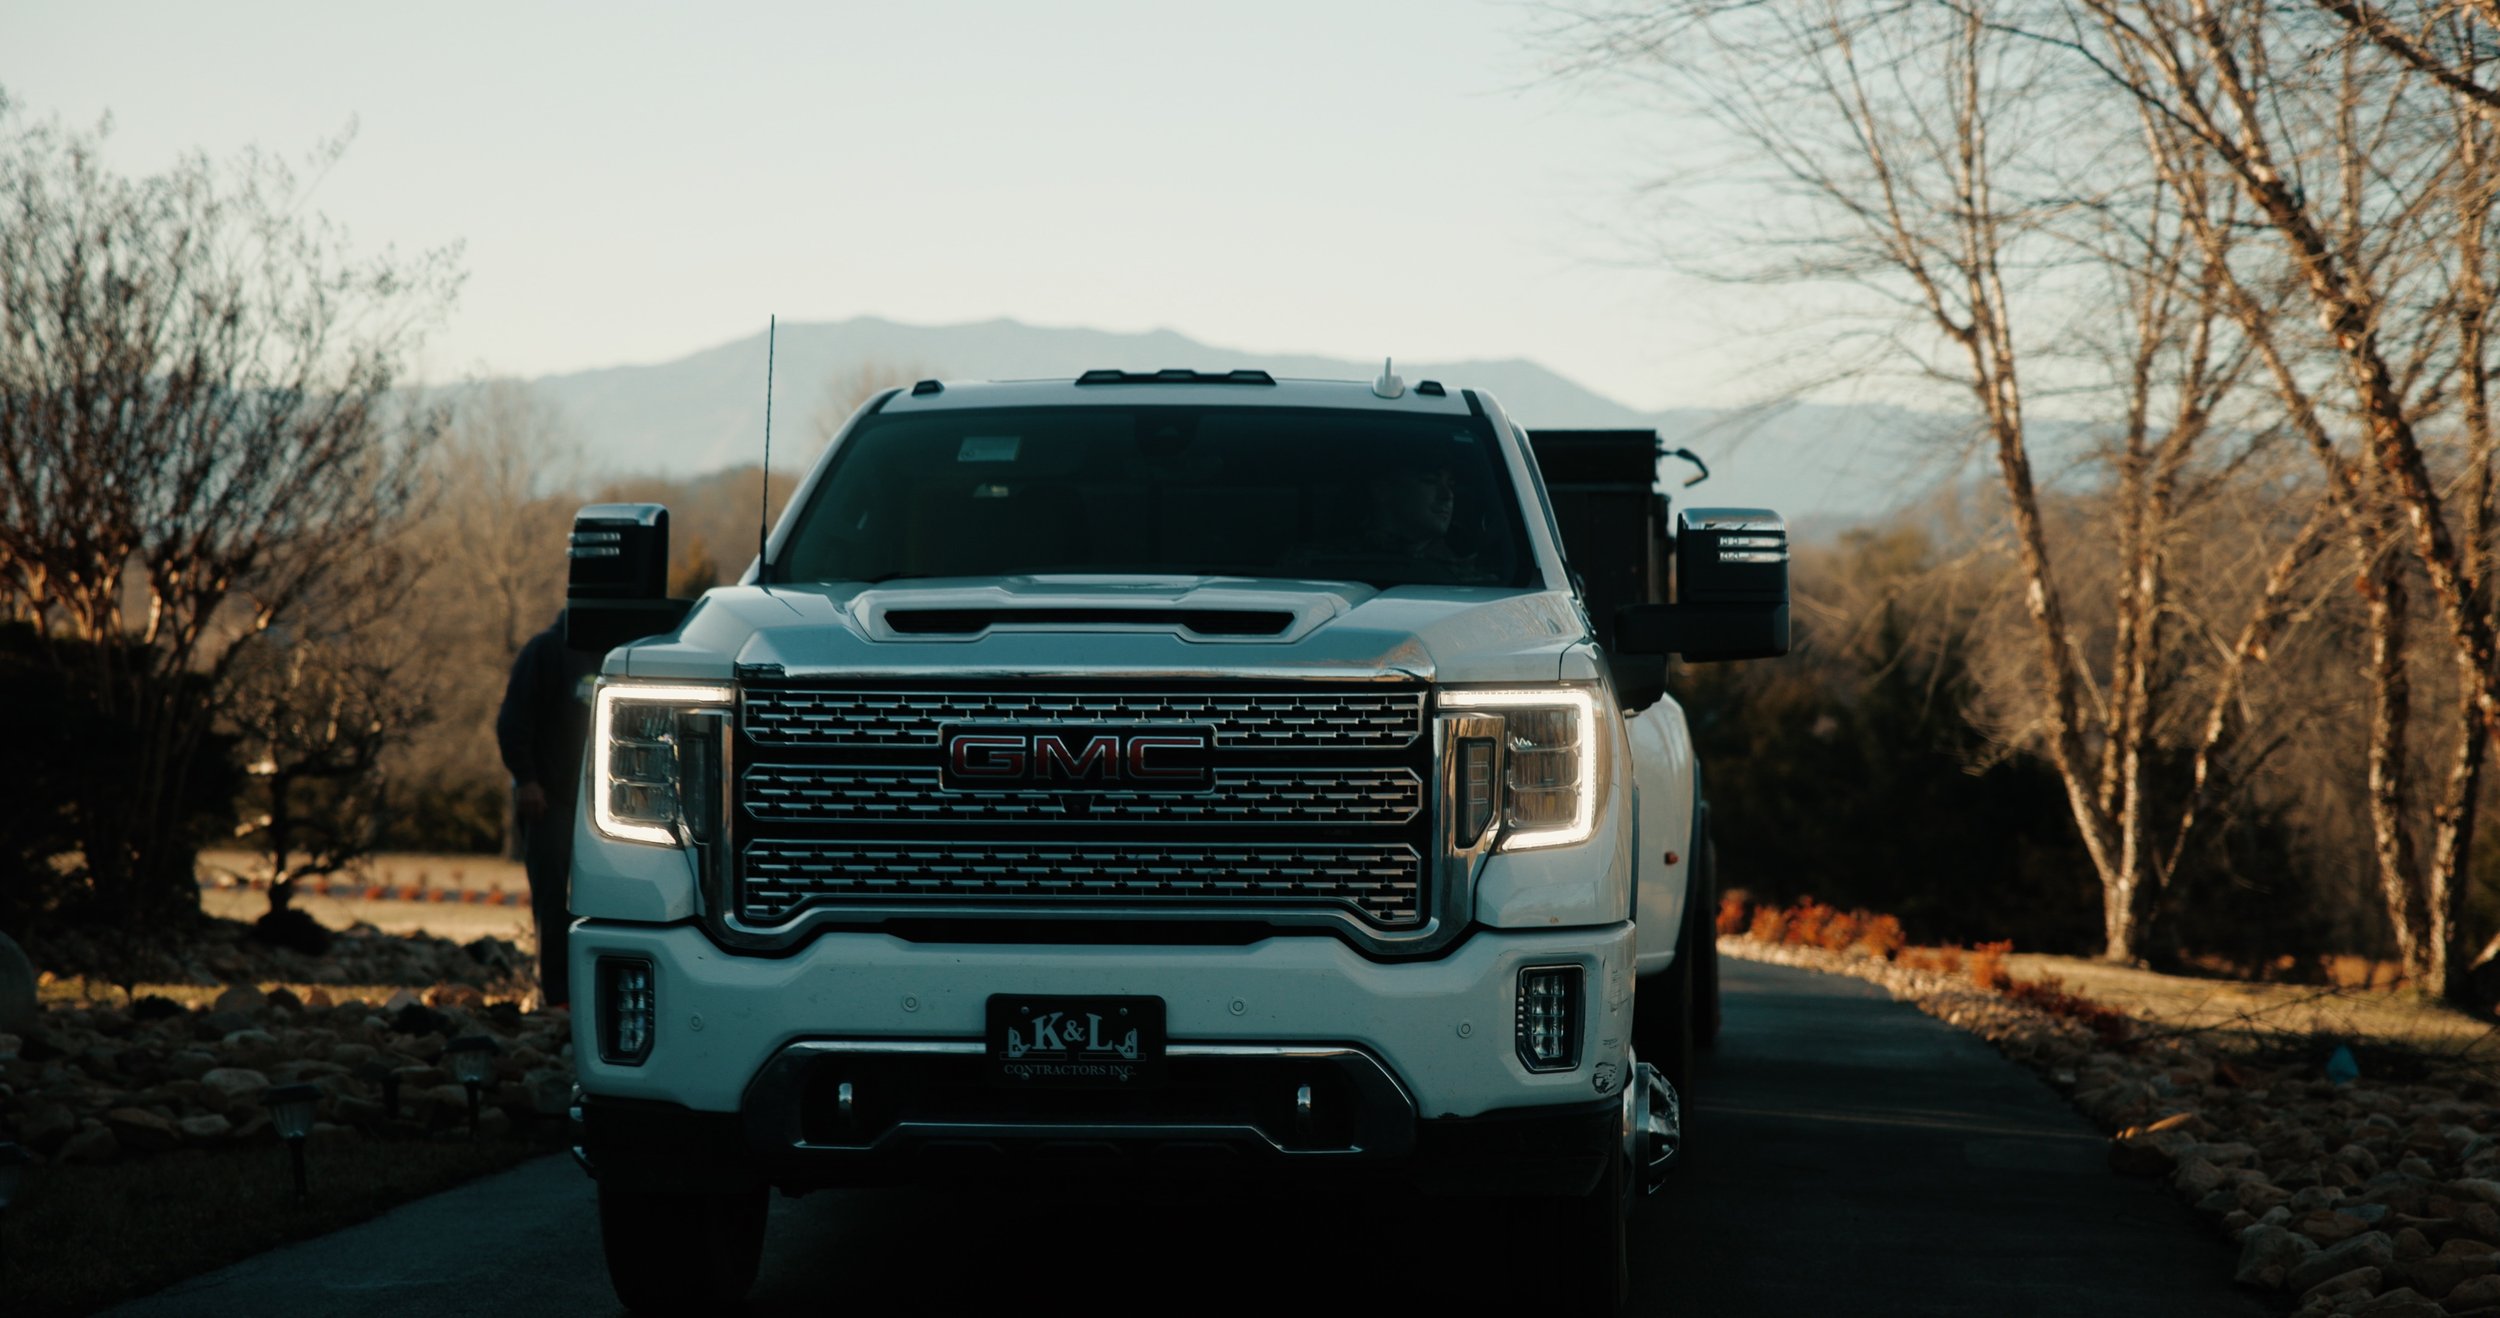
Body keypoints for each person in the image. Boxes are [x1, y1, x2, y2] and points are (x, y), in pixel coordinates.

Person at [496, 611, 602, 1008]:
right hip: (548, 802)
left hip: (595, 807)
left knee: (598, 902)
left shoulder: (608, 655)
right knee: (553, 900)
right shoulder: (546, 650)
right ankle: (557, 996)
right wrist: (526, 780)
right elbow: (512, 722)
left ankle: (593, 994)